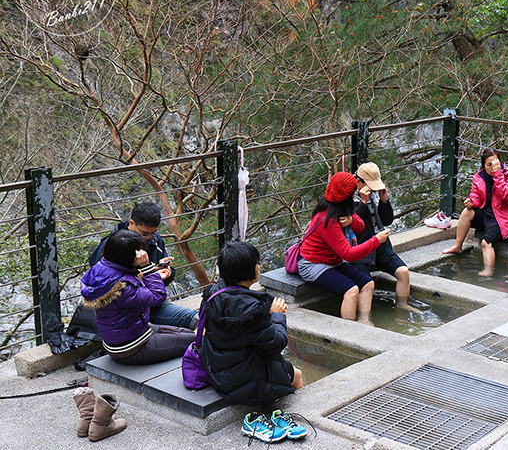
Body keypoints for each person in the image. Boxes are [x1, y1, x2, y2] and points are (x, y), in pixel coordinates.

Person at [200, 242, 303, 410]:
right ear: (249, 271)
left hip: (218, 372)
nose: (259, 267)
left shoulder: (212, 295)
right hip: (248, 382)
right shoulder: (253, 310)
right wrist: (277, 315)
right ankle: (293, 415)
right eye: (256, 264)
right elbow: (276, 344)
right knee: (296, 375)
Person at [81, 230, 196, 365]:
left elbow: (129, 283)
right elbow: (157, 297)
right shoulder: (120, 288)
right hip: (132, 348)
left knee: (188, 332)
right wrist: (147, 269)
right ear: (129, 258)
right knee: (195, 340)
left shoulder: (101, 268)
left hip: (126, 335)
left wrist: (151, 275)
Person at [89, 202, 198, 329]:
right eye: (144, 234)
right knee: (178, 336)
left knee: (197, 318)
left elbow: (159, 287)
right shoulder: (112, 246)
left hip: (151, 305)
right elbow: (104, 288)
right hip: (124, 314)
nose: (148, 237)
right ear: (131, 223)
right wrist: (146, 275)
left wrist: (164, 273)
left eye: (153, 233)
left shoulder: (154, 240)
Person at [298, 171, 390, 322]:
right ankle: (349, 331)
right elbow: (348, 254)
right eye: (353, 193)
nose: (355, 195)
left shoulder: (339, 209)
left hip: (333, 260)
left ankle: (364, 321)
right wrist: (376, 241)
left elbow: (359, 227)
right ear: (347, 197)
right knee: (351, 290)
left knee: (368, 283)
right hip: (313, 264)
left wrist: (351, 220)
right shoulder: (326, 220)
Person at [351, 162, 419, 313]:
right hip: (360, 248)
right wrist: (362, 202)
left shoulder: (374, 195)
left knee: (403, 272)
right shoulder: (349, 197)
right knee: (366, 284)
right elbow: (353, 224)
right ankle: (364, 317)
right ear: (358, 181)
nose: (373, 189)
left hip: (380, 245)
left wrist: (383, 201)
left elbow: (387, 220)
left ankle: (402, 305)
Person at [443, 148, 508, 276]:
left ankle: (488, 271)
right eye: (489, 165)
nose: (492, 167)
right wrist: (471, 202)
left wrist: (498, 175)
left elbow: (506, 195)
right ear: (483, 165)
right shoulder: (479, 177)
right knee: (466, 212)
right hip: (486, 215)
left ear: (500, 162)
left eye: (495, 163)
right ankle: (458, 246)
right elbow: (476, 196)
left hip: (503, 219)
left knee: (486, 243)